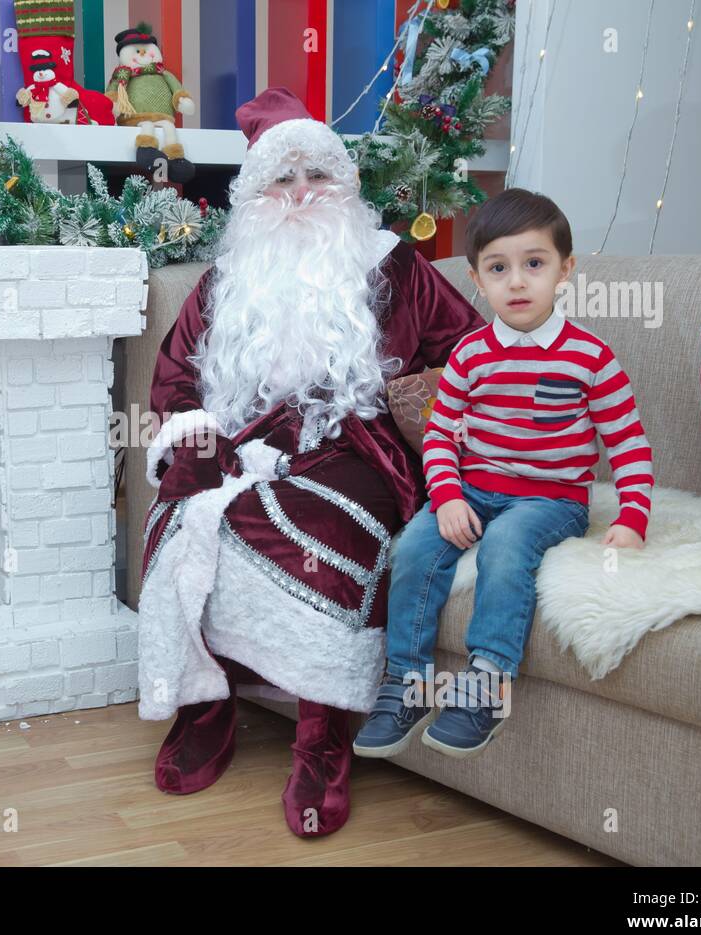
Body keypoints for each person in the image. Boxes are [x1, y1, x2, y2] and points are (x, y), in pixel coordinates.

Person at [137, 87, 486, 837]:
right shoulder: (224, 279)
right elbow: (172, 380)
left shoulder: (396, 269)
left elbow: (470, 357)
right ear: (253, 196)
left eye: (316, 179)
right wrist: (194, 451)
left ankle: (322, 742)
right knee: (180, 522)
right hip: (240, 441)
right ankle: (207, 707)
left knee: (331, 551)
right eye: (279, 183)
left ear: (345, 187)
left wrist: (432, 414)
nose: (299, 198)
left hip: (354, 446)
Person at [353, 187, 654, 762]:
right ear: (477, 279)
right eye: (499, 268)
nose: (517, 282)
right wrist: (444, 498)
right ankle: (406, 683)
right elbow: (441, 435)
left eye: (534, 265)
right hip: (473, 489)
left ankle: (487, 683)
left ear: (564, 270)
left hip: (550, 500)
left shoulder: (589, 356)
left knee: (508, 546)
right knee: (414, 545)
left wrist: (633, 517)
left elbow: (628, 442)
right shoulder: (470, 355)